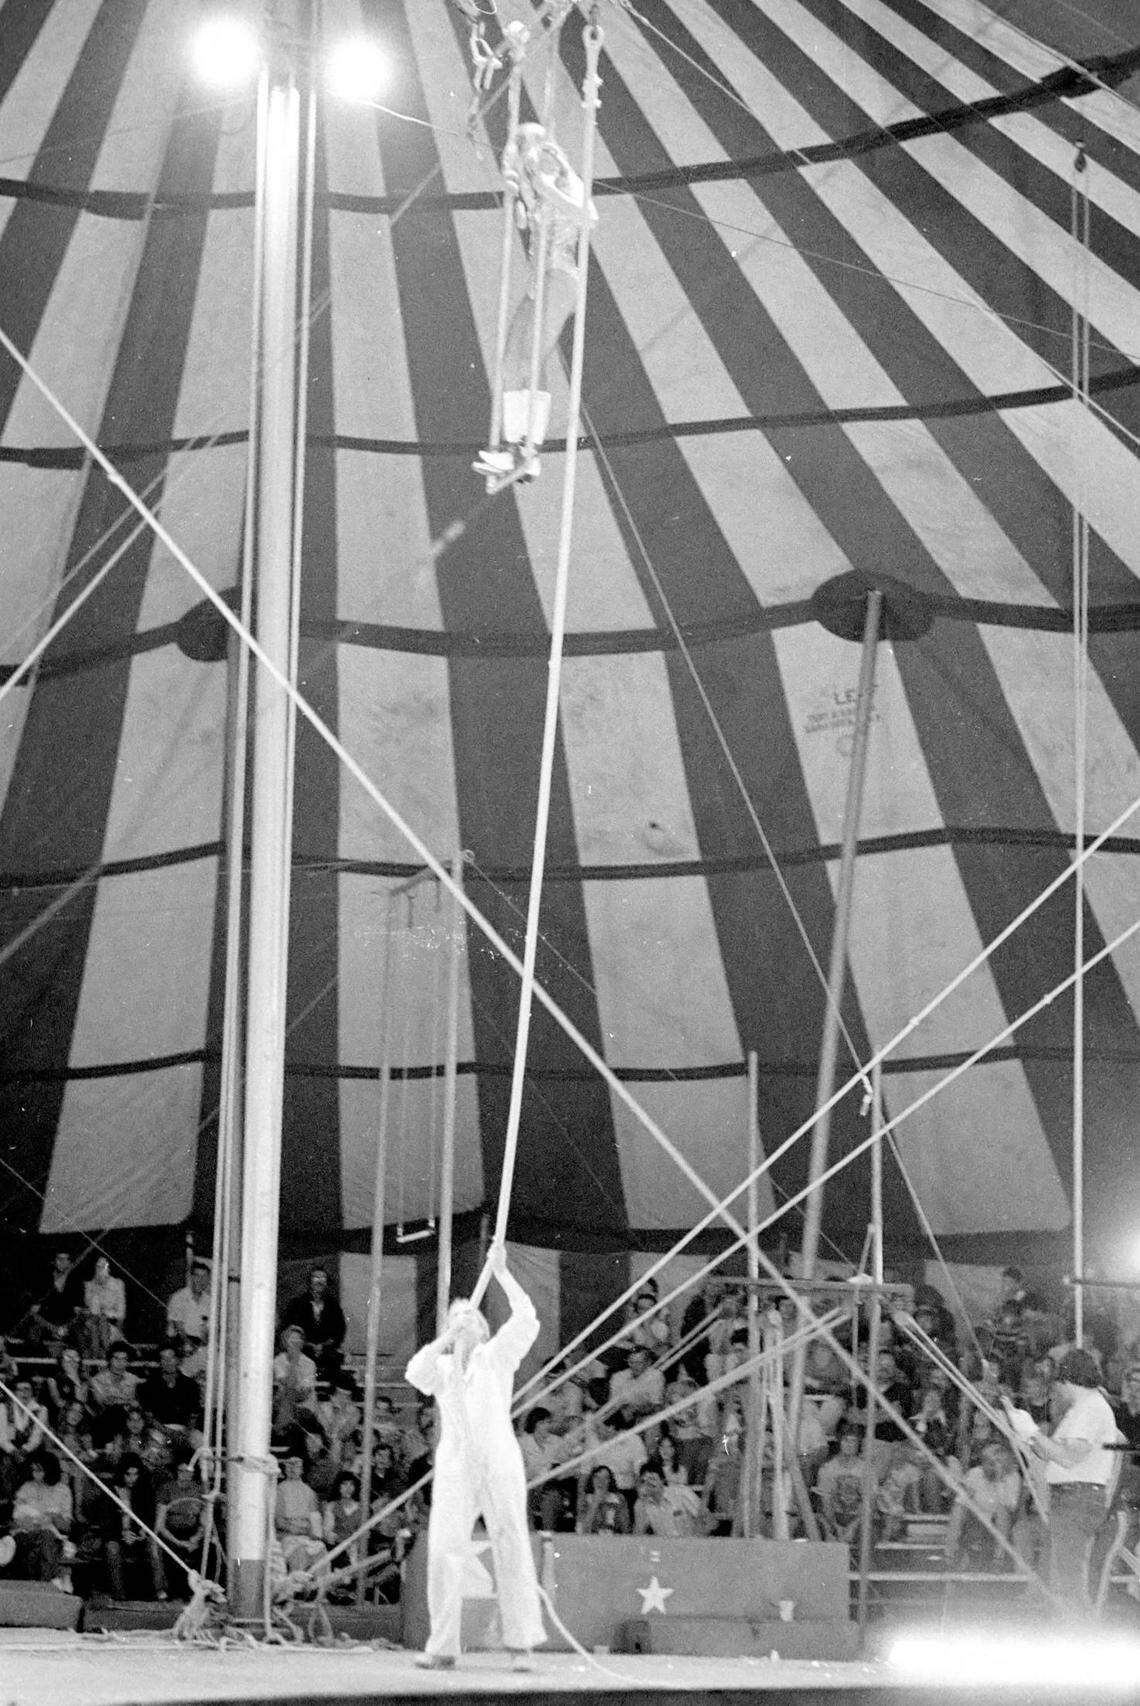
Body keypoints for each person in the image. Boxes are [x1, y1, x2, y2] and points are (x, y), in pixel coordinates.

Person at [404, 1242, 545, 1672]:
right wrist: (448, 1338)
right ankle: (443, 1645)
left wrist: (501, 1273)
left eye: (470, 1316)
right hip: (456, 1465)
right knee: (444, 1549)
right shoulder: (443, 1370)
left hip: (498, 1458)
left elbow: (527, 1318)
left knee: (511, 1541)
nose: (463, 1320)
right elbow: (415, 1372)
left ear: (483, 1328)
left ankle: (521, 1644)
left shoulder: (496, 1356)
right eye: (455, 1317)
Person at [473, 123, 596, 485]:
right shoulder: (536, 187)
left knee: (529, 358)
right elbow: (520, 184)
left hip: (560, 277)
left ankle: (528, 450)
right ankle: (515, 448)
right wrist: (523, 196)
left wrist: (545, 190)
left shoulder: (565, 178)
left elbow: (589, 217)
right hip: (537, 282)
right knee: (512, 364)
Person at [1018, 1347, 1120, 1614]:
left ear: (1067, 1380)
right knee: (1063, 1579)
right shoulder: (1081, 1410)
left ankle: (1077, 1634)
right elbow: (1052, 1453)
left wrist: (1032, 1432)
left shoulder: (1091, 1409)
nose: (1057, 1390)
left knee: (1068, 1583)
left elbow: (1067, 1457)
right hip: (1071, 1499)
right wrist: (1026, 1433)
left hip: (1077, 1499)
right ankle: (1070, 1631)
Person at [10, 1450, 73, 1587]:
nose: (35, 1474)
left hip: (52, 1536)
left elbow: (66, 1527)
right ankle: (50, 1582)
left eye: (39, 1470)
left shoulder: (63, 1491)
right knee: (41, 1541)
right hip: (27, 1534)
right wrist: (30, 1522)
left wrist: (52, 1517)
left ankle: (43, 1584)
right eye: (33, 1470)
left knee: (45, 1541)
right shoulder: (26, 1488)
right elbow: (16, 1520)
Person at [282, 1266, 347, 1380]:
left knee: (334, 1360)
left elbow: (340, 1329)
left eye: (323, 1278)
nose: (319, 1281)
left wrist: (325, 1345)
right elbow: (289, 1327)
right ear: (310, 1281)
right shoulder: (298, 1303)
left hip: (326, 1350)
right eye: (316, 1277)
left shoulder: (332, 1305)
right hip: (303, 1349)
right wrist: (308, 1344)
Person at [166, 1259, 212, 1378]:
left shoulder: (210, 1301)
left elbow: (209, 1331)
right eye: (197, 1276)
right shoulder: (179, 1297)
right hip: (182, 1346)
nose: (200, 1280)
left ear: (208, 1279)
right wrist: (189, 1345)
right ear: (191, 1277)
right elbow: (178, 1328)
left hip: (202, 1348)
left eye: (204, 1277)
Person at [83, 1256, 127, 1360]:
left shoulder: (117, 1284)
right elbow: (92, 1310)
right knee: (94, 1326)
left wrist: (105, 1314)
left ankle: (102, 1355)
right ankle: (101, 1356)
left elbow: (121, 1314)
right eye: (98, 1266)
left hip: (111, 1324)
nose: (101, 1269)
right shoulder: (89, 1285)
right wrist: (97, 1288)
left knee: (101, 1323)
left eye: (104, 1266)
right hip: (92, 1325)